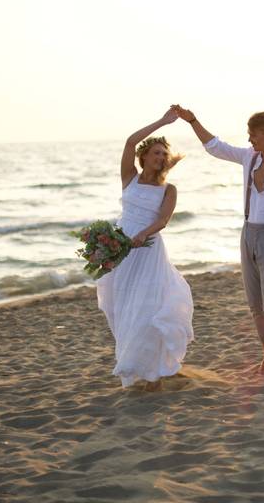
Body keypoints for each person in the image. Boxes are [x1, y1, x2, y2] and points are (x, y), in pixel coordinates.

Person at [172, 105, 264, 379]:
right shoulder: (249, 158)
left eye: (253, 135)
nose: (249, 140)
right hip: (248, 233)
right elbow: (215, 146)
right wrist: (192, 120)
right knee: (255, 304)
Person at [95, 109, 194, 389]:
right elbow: (129, 142)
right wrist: (163, 122)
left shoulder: (169, 189)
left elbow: (162, 220)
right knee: (123, 307)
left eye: (164, 153)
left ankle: (156, 374)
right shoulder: (130, 177)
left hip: (148, 251)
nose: (161, 157)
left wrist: (142, 234)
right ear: (145, 156)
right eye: (156, 152)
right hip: (121, 251)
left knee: (148, 308)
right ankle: (136, 363)